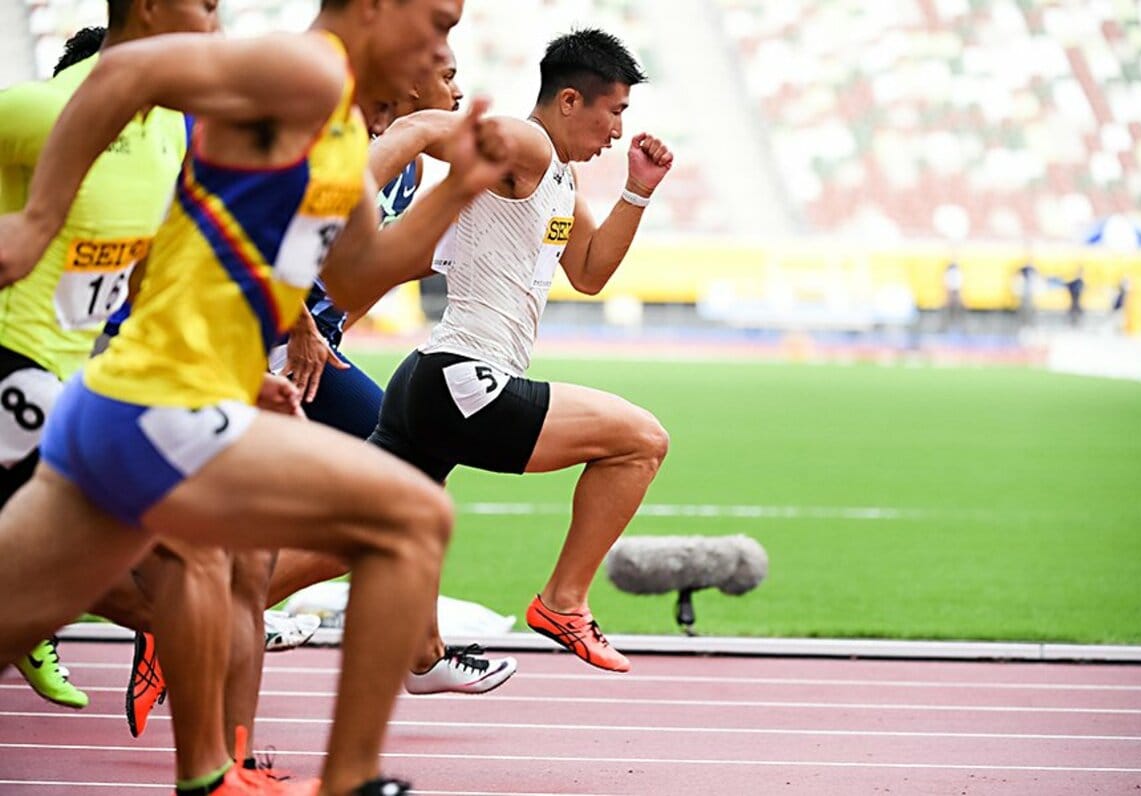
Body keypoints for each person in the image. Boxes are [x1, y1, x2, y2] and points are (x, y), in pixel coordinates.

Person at [0, 1, 511, 794]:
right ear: (374, 8)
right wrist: (39, 220)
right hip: (155, 403)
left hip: (134, 403)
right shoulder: (299, 69)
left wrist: (457, 190)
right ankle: (346, 781)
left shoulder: (340, 126)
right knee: (412, 517)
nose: (444, 47)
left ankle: (211, 772)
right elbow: (128, 69)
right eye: (438, 23)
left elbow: (356, 271)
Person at [363, 28, 674, 673]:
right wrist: (351, 182)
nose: (617, 131)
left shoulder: (556, 179)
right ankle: (564, 600)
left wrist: (637, 190)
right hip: (466, 380)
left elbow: (588, 272)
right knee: (640, 441)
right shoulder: (528, 144)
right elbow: (424, 128)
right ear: (568, 102)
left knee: (360, 532)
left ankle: (181, 616)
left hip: (429, 380)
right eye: (613, 112)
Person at [266, 49, 518, 695]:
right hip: (242, 342)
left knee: (408, 483)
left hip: (303, 350)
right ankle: (208, 604)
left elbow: (367, 270)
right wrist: (301, 325)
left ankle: (421, 652)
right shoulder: (347, 143)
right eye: (449, 76)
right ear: (404, 80)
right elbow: (269, 239)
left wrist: (331, 330)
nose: (460, 94)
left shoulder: (402, 169)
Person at [0, 0, 220, 713]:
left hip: (75, 379)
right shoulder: (40, 109)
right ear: (151, 9)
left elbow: (150, 275)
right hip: (14, 370)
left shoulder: (168, 133)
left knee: (166, 579)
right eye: (207, 4)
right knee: (167, 568)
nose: (217, 24)